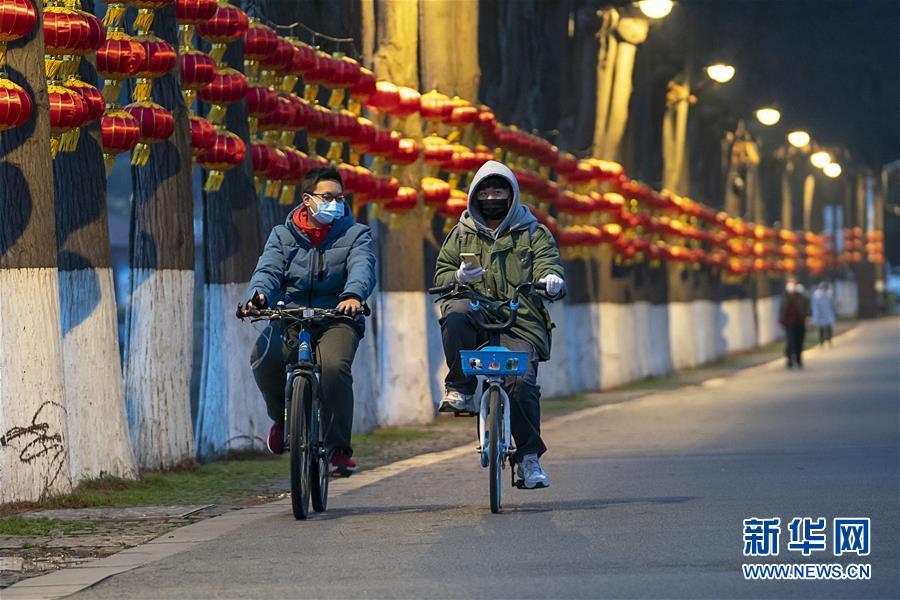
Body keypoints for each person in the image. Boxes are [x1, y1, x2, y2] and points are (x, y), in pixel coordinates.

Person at [433, 160, 566, 489]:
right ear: (474, 197)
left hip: (520, 319)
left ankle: (528, 458)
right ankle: (460, 389)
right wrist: (457, 277)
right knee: (455, 313)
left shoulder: (533, 231)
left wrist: (550, 279)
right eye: (486, 192)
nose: (492, 197)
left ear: (512, 194)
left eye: (499, 191)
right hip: (477, 311)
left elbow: (549, 262)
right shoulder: (461, 232)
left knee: (520, 381)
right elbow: (441, 275)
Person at [241, 167, 376, 477]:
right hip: (290, 315)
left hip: (339, 316)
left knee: (333, 368)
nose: (335, 203)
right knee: (263, 359)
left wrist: (353, 295)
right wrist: (258, 296)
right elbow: (269, 270)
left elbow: (362, 267)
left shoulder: (356, 234)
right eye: (327, 197)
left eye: (340, 198)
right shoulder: (283, 234)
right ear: (307, 200)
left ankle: (338, 448)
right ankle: (282, 419)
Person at [779, 276, 811, 369]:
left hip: (799, 322)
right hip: (789, 323)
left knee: (799, 342)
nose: (791, 285)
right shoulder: (784, 296)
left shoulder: (801, 295)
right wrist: (781, 321)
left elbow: (807, 305)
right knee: (790, 341)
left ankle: (798, 359)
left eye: (792, 283)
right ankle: (789, 359)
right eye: (789, 283)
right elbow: (781, 310)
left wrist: (808, 316)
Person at [811, 281, 836, 346]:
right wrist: (816, 316)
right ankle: (821, 341)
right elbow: (816, 307)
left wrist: (833, 314)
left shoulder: (829, 294)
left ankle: (829, 340)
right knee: (821, 329)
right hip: (820, 314)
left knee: (828, 328)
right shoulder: (817, 295)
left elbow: (832, 306)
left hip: (828, 314)